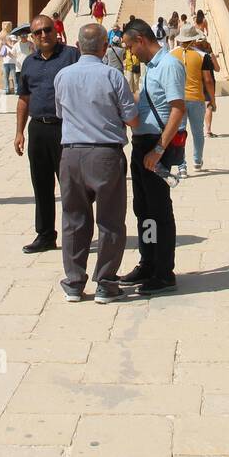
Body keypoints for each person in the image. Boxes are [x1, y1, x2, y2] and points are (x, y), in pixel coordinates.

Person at [54, 23, 140, 302]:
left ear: (78, 46)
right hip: (105, 153)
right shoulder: (113, 76)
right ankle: (105, 282)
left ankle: (74, 282)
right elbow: (132, 119)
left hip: (71, 154)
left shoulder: (63, 76)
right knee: (111, 220)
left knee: (73, 219)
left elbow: (61, 113)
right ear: (105, 47)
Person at [119, 19, 186, 296]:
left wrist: (158, 149)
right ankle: (147, 262)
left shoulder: (169, 65)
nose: (130, 52)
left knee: (159, 210)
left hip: (158, 144)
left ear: (141, 40)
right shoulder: (152, 67)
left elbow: (178, 109)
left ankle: (163, 272)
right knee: (143, 208)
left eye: (130, 45)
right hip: (142, 142)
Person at [14, 16, 79, 253]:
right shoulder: (29, 62)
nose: (44, 35)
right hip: (38, 128)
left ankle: (77, 233)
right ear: (32, 37)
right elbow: (23, 98)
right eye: (38, 32)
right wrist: (19, 132)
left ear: (56, 30)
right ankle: (45, 235)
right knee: (41, 183)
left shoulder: (71, 56)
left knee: (71, 185)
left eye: (47, 30)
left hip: (66, 127)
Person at [171, 23, 215, 172]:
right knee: (197, 131)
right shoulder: (202, 56)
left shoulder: (171, 54)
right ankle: (197, 160)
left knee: (179, 132)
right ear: (194, 39)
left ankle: (181, 166)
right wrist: (212, 100)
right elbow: (208, 80)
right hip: (196, 97)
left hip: (178, 98)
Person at [197, 36, 220, 138]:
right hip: (209, 80)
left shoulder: (195, 54)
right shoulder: (210, 55)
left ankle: (199, 129)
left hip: (197, 81)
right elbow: (217, 69)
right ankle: (208, 130)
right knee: (208, 105)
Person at [0, 28, 17, 95]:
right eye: (12, 40)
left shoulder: (15, 46)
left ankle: (16, 89)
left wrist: (7, 45)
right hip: (6, 63)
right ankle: (6, 89)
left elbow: (14, 51)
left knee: (14, 77)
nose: (13, 41)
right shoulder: (5, 46)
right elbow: (1, 54)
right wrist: (4, 52)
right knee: (5, 77)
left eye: (14, 40)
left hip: (13, 63)